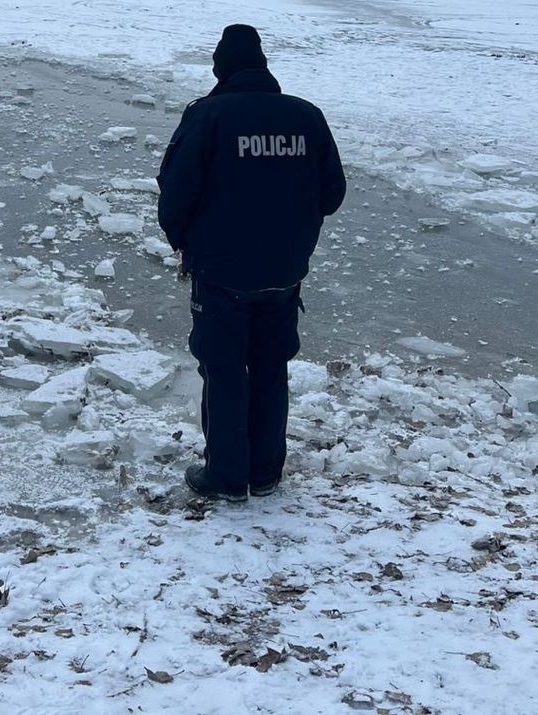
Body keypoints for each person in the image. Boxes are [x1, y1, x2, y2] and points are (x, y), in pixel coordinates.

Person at [157, 25, 346, 502]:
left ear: (221, 68)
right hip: (284, 272)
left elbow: (176, 189)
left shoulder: (209, 115)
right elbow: (333, 193)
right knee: (269, 366)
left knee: (222, 369)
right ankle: (264, 473)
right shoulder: (307, 116)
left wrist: (184, 242)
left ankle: (226, 476)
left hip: (221, 271)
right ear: (262, 66)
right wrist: (289, 230)